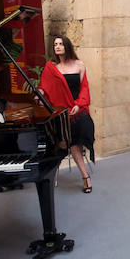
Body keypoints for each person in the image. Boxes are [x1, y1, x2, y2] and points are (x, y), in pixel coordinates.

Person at [37, 35, 95, 193]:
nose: (57, 47)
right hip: (62, 112)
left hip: (78, 109)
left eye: (61, 44)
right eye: (55, 44)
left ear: (67, 46)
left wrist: (78, 104)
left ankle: (65, 152)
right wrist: (40, 95)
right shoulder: (52, 69)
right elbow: (44, 88)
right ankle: (85, 177)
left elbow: (84, 88)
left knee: (84, 128)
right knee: (73, 141)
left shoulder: (79, 65)